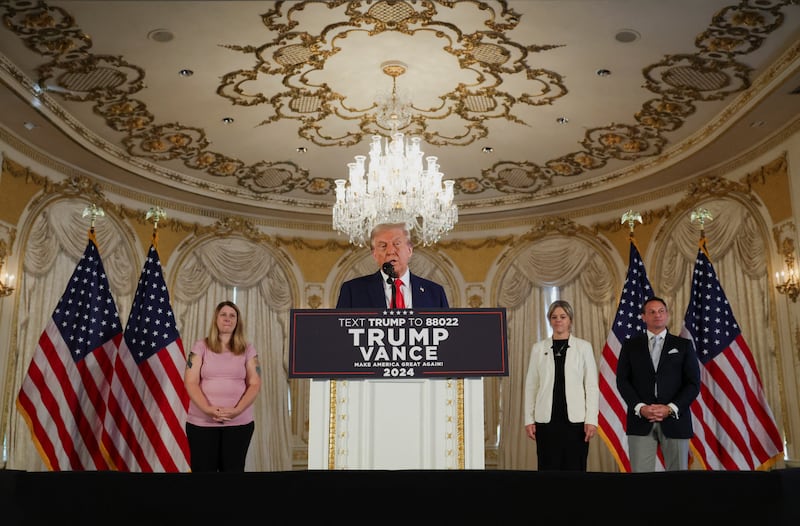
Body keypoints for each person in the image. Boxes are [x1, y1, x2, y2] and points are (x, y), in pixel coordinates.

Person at [616, 296, 700, 472]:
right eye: (652, 312)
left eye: (661, 311)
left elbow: (693, 384)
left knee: (677, 480)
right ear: (643, 317)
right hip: (640, 420)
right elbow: (622, 381)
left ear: (667, 315)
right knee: (641, 480)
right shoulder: (630, 345)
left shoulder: (683, 345)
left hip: (675, 420)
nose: (657, 315)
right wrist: (640, 407)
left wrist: (670, 408)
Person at [184, 300, 261, 472]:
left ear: (237, 321)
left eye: (232, 315)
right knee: (203, 476)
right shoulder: (200, 346)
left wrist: (237, 410)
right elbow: (190, 381)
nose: (228, 318)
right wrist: (207, 409)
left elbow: (255, 383)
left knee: (233, 476)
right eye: (223, 314)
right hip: (202, 423)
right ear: (216, 319)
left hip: (239, 423)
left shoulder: (248, 349)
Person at [523, 300, 599, 471]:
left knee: (575, 468)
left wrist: (591, 420)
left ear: (570, 320)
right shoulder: (538, 348)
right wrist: (529, 419)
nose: (558, 320)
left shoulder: (584, 347)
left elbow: (592, 387)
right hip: (546, 421)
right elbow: (531, 386)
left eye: (563, 317)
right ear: (549, 320)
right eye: (554, 317)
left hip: (576, 422)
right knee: (547, 468)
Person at [336, 222, 449, 309]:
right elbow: (341, 335)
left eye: (397, 244)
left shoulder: (435, 293)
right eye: (383, 246)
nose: (390, 251)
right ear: (374, 254)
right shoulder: (353, 291)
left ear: (409, 250)